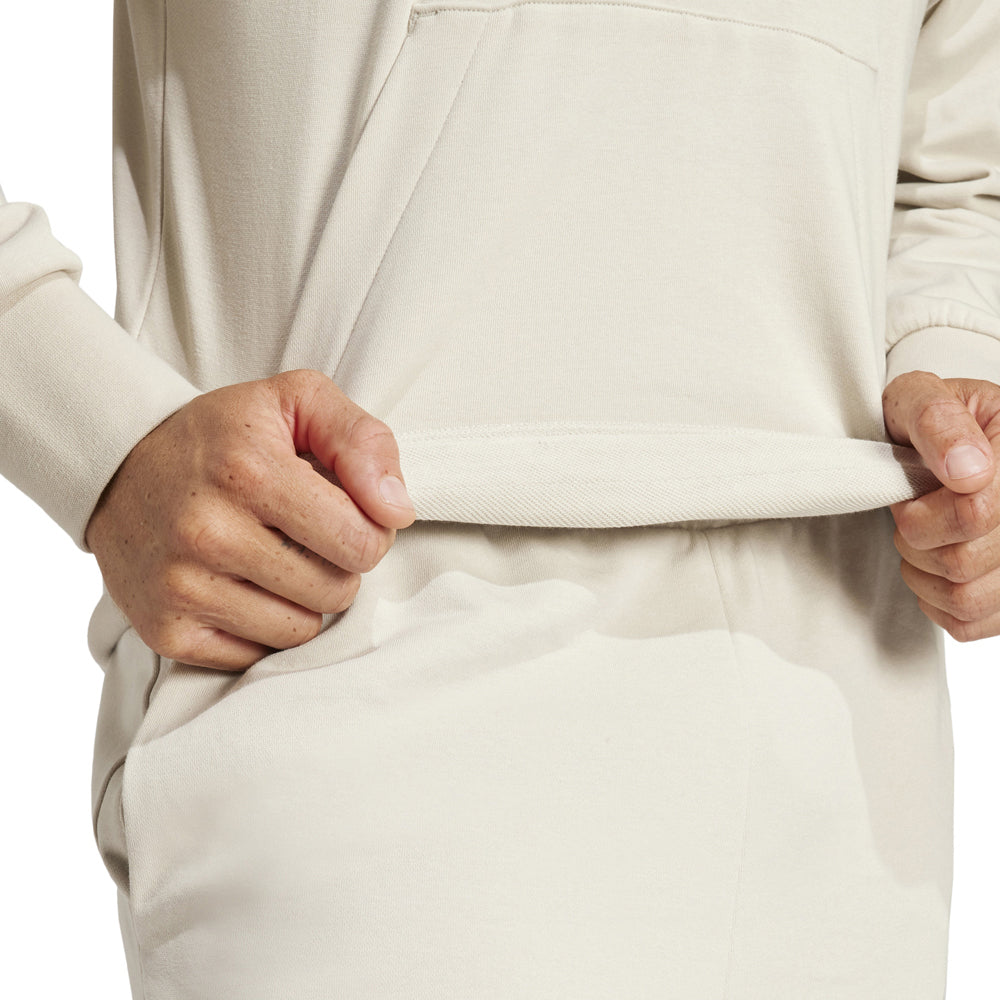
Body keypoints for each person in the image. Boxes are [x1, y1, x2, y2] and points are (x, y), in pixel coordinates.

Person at [1, 0, 999, 996]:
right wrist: (94, 426)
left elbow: (957, 156)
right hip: (353, 644)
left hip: (842, 709)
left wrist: (953, 368)